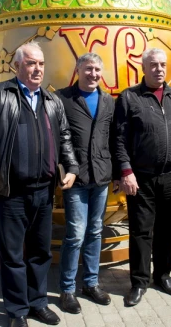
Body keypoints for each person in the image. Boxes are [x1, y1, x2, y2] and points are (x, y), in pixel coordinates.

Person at [0, 41, 78, 327]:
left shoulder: (52, 101)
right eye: (31, 63)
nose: (37, 68)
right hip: (10, 192)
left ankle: (38, 303)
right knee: (13, 255)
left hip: (44, 191)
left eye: (41, 64)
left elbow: (64, 137)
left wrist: (72, 167)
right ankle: (17, 311)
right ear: (17, 66)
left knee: (41, 252)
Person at [113, 47, 171, 307]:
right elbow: (119, 139)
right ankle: (139, 282)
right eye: (153, 65)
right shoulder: (130, 98)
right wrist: (126, 170)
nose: (159, 69)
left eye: (163, 64)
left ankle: (162, 275)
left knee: (169, 229)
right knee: (141, 232)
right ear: (143, 68)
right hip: (140, 179)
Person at [55, 53, 114, 314]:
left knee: (95, 231)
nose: (93, 73)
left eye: (97, 69)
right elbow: (54, 137)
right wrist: (63, 169)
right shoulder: (62, 99)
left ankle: (91, 283)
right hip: (75, 178)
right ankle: (67, 289)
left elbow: (113, 138)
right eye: (88, 68)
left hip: (101, 177)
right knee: (75, 234)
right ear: (78, 70)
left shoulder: (108, 101)